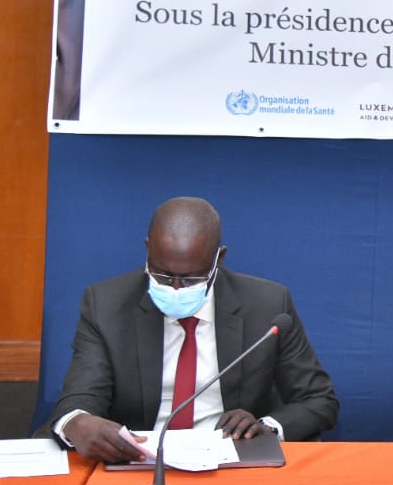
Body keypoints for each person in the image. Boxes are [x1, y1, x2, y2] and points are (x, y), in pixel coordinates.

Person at [49, 196, 339, 462]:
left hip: (234, 459)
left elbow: (318, 400)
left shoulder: (268, 305)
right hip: (137, 458)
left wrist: (266, 427)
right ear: (148, 249)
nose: (175, 288)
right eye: (162, 275)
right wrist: (77, 422)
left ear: (218, 259)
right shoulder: (106, 304)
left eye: (191, 279)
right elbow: (81, 397)